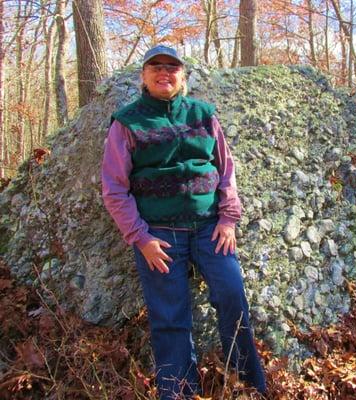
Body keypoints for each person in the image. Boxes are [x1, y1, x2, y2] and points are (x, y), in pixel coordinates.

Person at [101, 44, 266, 399]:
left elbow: (226, 170)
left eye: (172, 67)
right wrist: (140, 238)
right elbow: (114, 189)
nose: (164, 73)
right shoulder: (128, 122)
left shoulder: (204, 115)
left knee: (232, 296)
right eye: (156, 67)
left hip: (210, 229)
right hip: (158, 237)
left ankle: (249, 387)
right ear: (144, 76)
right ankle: (178, 393)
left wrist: (228, 218)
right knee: (170, 320)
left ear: (182, 76)